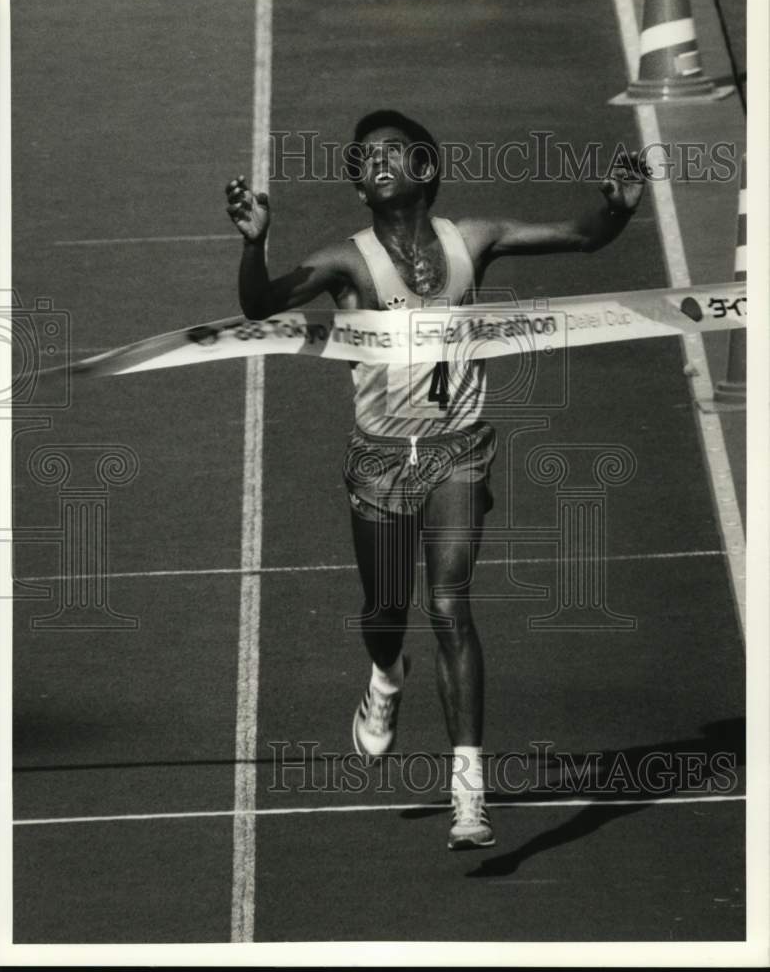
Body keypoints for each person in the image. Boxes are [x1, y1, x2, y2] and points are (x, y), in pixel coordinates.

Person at [225, 109, 646, 850]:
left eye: (390, 153)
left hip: (458, 450)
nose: (374, 163)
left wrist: (615, 206)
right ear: (358, 187)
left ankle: (468, 796)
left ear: (425, 169)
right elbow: (260, 306)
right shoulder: (347, 261)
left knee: (451, 604)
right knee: (385, 608)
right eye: (363, 160)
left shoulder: (472, 239)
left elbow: (580, 237)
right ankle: (386, 679)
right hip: (381, 458)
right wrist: (256, 244)